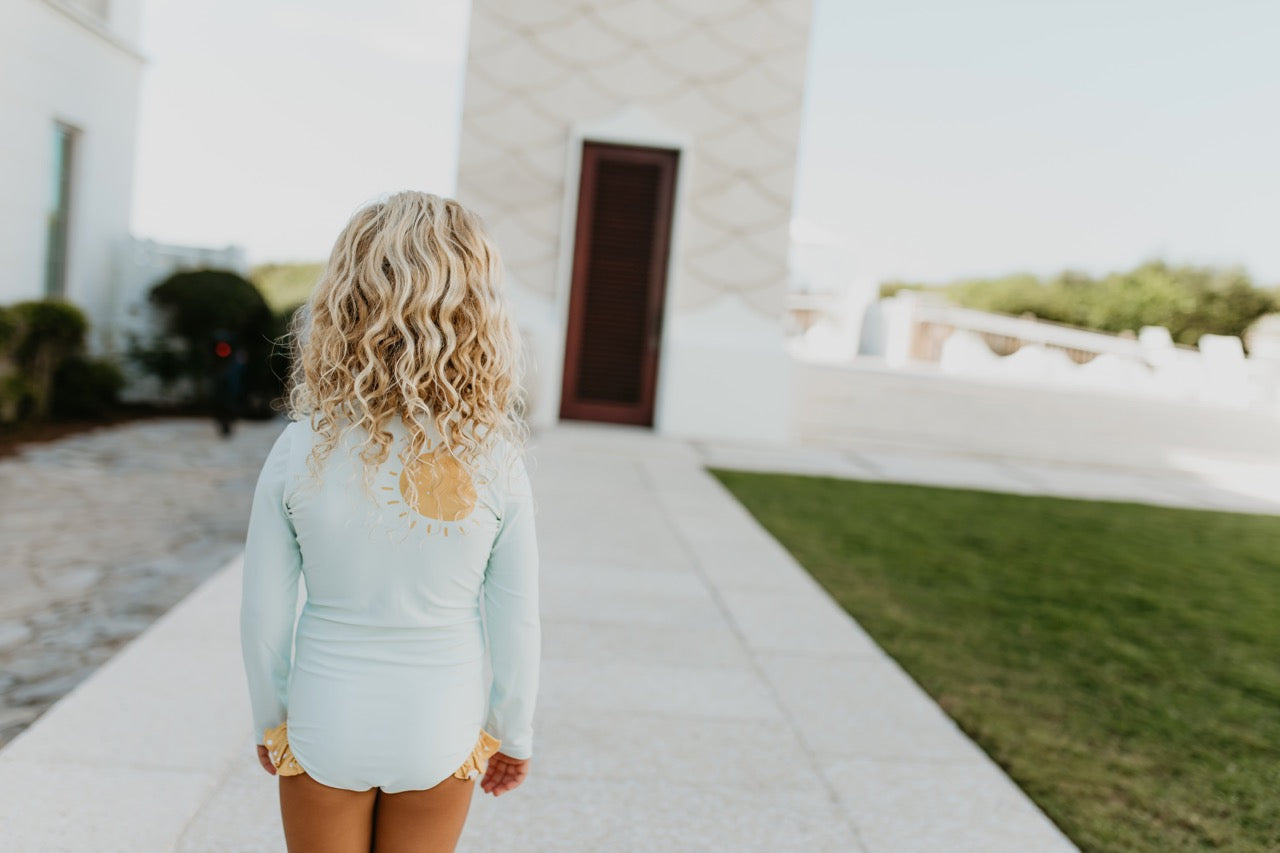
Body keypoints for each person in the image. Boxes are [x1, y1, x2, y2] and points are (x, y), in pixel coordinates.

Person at [239, 191, 540, 853]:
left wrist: (272, 720)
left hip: (327, 715)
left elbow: (263, 609)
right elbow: (516, 618)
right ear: (478, 312)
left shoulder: (301, 447)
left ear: (344, 302)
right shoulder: (495, 459)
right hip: (441, 720)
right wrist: (512, 733)